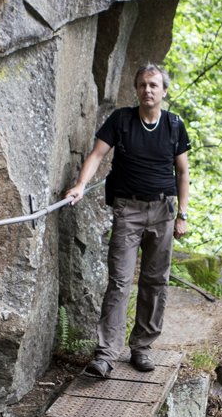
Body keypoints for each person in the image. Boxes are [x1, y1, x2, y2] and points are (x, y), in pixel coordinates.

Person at [64, 64, 190, 378]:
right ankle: (106, 355)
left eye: (154, 85)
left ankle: (142, 348)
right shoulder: (121, 120)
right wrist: (80, 185)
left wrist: (183, 215)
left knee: (155, 283)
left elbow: (183, 172)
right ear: (137, 90)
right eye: (143, 85)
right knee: (119, 282)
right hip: (127, 211)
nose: (148, 89)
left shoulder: (174, 126)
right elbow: (96, 155)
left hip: (162, 213)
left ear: (164, 91)